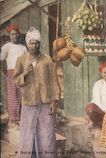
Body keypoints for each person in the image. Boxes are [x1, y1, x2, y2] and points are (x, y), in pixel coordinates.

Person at [13, 27, 59, 158]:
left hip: (45, 102)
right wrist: (25, 74)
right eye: (31, 43)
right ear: (27, 44)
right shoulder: (21, 60)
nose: (34, 45)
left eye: (36, 42)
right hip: (29, 102)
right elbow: (15, 80)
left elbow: (54, 81)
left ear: (40, 43)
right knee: (27, 134)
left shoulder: (47, 60)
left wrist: (54, 101)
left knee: (47, 135)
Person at [0, 24, 27, 125]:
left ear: (19, 35)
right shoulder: (6, 47)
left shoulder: (23, 48)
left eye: (16, 34)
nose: (14, 36)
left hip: (21, 72)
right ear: (9, 35)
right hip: (11, 72)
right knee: (13, 95)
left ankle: (22, 117)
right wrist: (6, 72)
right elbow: (1, 60)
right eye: (12, 34)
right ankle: (14, 119)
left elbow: (26, 61)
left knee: (22, 94)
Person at [85, 62, 106, 128]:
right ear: (101, 74)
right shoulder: (98, 84)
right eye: (105, 73)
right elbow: (97, 101)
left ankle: (101, 124)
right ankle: (99, 124)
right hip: (100, 110)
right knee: (90, 108)